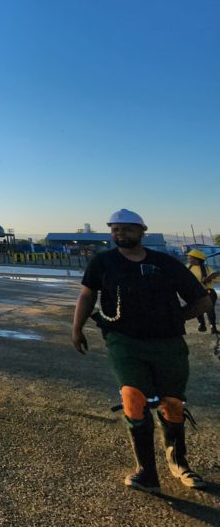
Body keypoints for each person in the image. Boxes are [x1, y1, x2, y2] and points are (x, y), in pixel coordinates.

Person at [71, 209, 211, 493]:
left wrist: (178, 317)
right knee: (132, 396)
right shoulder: (103, 262)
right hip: (124, 340)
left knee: (172, 403)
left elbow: (202, 299)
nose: (119, 233)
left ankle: (178, 462)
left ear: (142, 231)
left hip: (168, 342)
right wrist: (77, 328)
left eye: (126, 229)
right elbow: (88, 294)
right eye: (115, 229)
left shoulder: (165, 263)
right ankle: (146, 472)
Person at [187, 249, 218, 334]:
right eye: (189, 258)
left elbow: (214, 275)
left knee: (210, 309)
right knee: (197, 309)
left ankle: (213, 327)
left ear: (197, 259)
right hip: (194, 292)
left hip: (208, 292)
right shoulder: (187, 268)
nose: (189, 260)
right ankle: (201, 324)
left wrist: (210, 277)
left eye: (190, 258)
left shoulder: (207, 268)